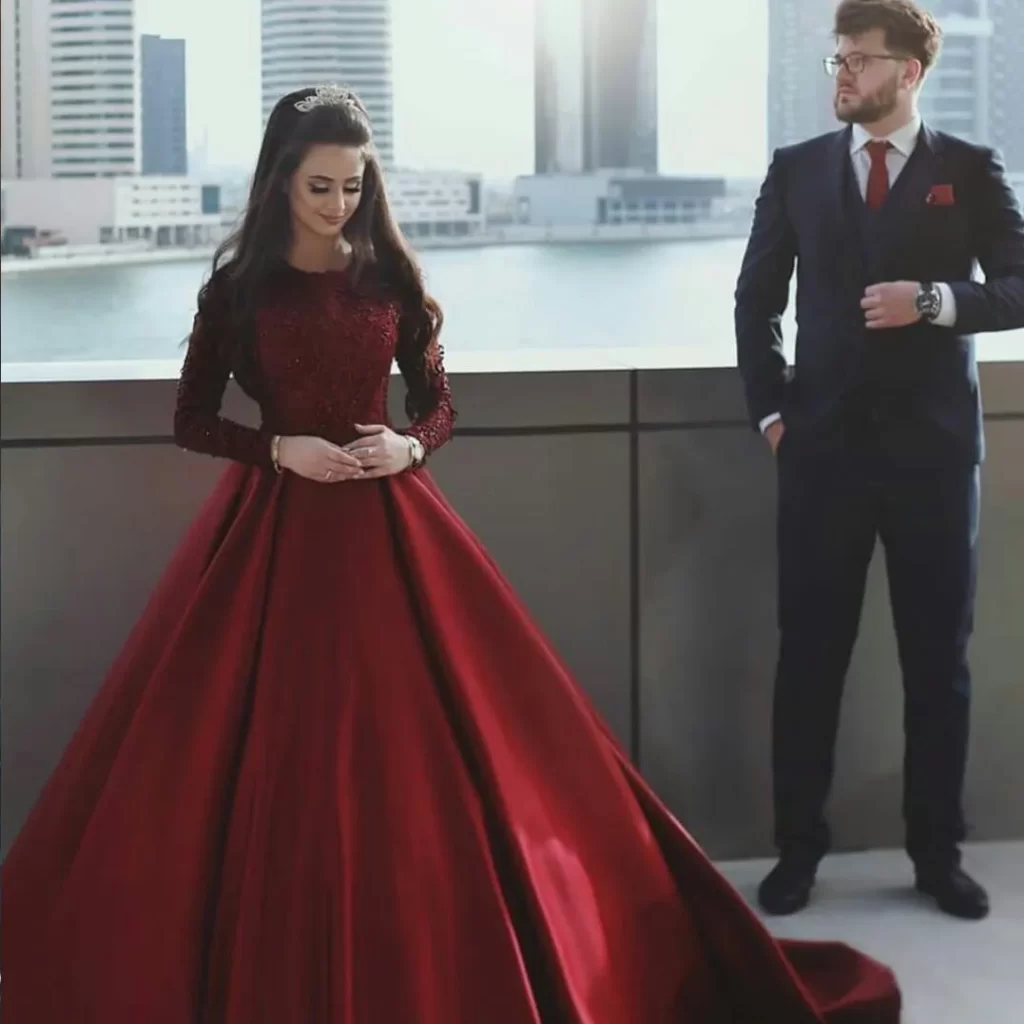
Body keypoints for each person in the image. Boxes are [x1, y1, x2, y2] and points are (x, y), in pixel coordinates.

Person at [3, 85, 902, 1023]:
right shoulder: (236, 288)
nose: (338, 203)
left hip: (392, 526)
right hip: (277, 533)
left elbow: (439, 405)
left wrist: (409, 447)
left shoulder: (389, 274)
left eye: (353, 185)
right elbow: (189, 418)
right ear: (277, 182)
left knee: (453, 740)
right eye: (318, 186)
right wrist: (277, 448)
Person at [736, 0, 1024, 922]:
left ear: (908, 71)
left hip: (936, 461)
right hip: (820, 456)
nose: (841, 76)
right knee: (809, 659)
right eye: (836, 61)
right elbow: (755, 303)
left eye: (858, 61)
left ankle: (936, 855)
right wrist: (774, 414)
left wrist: (936, 300)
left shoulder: (969, 169)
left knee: (938, 664)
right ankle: (796, 854)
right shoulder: (796, 170)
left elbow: (1020, 284)